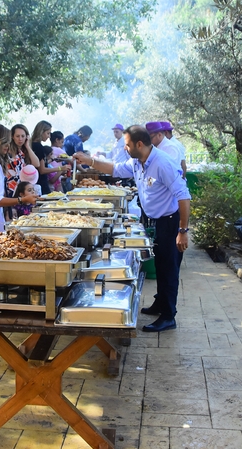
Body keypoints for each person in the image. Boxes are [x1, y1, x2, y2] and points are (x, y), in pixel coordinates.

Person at [74, 125, 191, 333]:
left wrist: (183, 231)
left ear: (139, 144)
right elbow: (115, 169)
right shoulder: (137, 161)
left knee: (169, 268)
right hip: (153, 219)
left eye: (127, 145)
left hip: (169, 221)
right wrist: (89, 161)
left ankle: (168, 315)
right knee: (160, 263)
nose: (125, 148)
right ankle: (160, 303)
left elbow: (184, 196)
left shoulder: (163, 163)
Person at [30, 121, 67, 195]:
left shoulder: (32, 144)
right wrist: (60, 169)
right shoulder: (38, 146)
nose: (49, 136)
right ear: (41, 132)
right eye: (48, 133)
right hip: (41, 183)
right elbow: (42, 170)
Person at [5, 124, 40, 200]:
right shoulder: (8, 151)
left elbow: (37, 164)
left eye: (23, 136)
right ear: (12, 137)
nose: (20, 139)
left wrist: (27, 146)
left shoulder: (23, 152)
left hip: (24, 189)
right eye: (17, 136)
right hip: (11, 188)